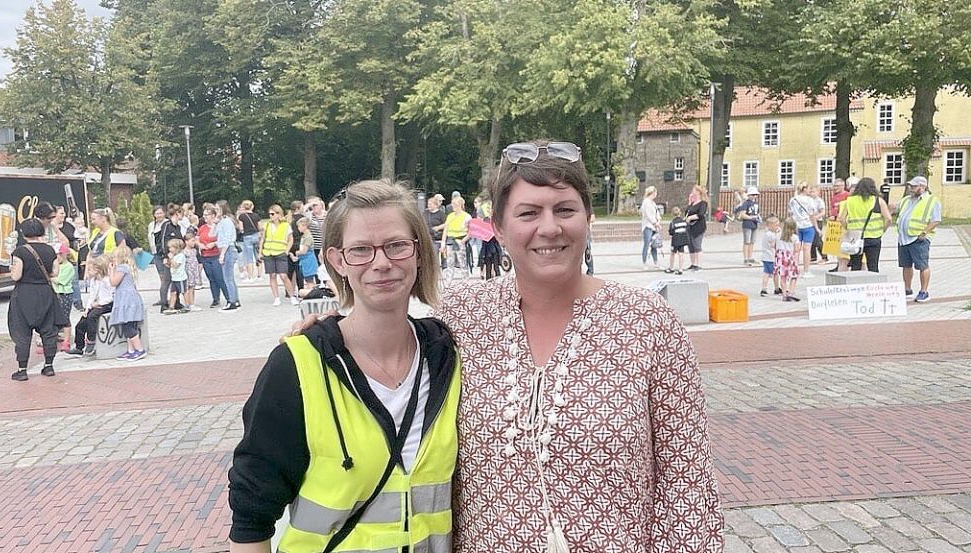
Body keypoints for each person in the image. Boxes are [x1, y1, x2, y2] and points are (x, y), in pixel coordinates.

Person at [288, 141, 725, 552]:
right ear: (498, 227)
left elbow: (687, 482)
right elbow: (387, 343)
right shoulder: (460, 316)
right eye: (529, 212)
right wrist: (330, 333)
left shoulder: (646, 320)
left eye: (565, 209)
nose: (549, 227)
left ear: (587, 218)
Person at [228, 180, 460, 553]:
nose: (381, 263)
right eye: (361, 250)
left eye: (396, 246)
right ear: (337, 261)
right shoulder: (297, 367)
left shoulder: (446, 356)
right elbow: (251, 517)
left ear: (418, 252)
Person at [8, 219, 69, 381]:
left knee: (22, 333)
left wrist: (12, 269)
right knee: (49, 331)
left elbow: (16, 275)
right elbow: (55, 272)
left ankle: (22, 370)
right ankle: (48, 366)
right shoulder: (49, 250)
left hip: (24, 295)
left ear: (24, 233)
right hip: (45, 292)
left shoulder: (20, 251)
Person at [895, 176, 941, 302]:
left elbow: (936, 220)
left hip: (919, 238)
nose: (911, 188)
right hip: (904, 238)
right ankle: (907, 289)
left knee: (922, 265)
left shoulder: (932, 201)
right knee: (905, 265)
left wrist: (924, 232)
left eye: (914, 186)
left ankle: (924, 291)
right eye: (910, 186)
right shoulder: (907, 199)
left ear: (923, 187)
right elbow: (896, 208)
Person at [838, 177, 891, 273]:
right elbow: (889, 219)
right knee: (873, 266)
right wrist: (882, 230)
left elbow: (841, 219)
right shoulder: (878, 201)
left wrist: (848, 228)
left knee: (855, 266)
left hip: (855, 237)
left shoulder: (850, 201)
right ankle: (873, 286)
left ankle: (856, 286)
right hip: (873, 237)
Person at [66, 257, 114, 357]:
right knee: (82, 322)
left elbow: (111, 296)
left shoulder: (107, 280)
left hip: (107, 304)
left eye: (90, 269)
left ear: (97, 269)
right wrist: (87, 308)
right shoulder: (94, 281)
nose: (87, 272)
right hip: (96, 304)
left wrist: (99, 303)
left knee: (92, 317)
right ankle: (79, 347)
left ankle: (91, 341)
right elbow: (92, 295)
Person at [109, 245, 147, 360]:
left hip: (126, 299)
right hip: (131, 298)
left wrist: (111, 271)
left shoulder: (122, 268)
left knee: (127, 326)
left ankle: (139, 349)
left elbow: (113, 282)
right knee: (129, 324)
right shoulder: (129, 267)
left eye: (114, 257)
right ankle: (131, 350)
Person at [260, 204, 296, 306]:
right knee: (272, 275)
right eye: (269, 214)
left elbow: (290, 239)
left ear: (278, 214)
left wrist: (287, 251)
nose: (270, 216)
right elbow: (263, 239)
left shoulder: (285, 226)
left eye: (272, 214)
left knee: (283, 275)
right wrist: (260, 252)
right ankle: (276, 298)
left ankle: (292, 296)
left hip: (280, 252)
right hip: (268, 252)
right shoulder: (267, 225)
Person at [199, 207, 229, 309]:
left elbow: (224, 238)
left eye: (207, 215)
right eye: (204, 215)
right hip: (205, 256)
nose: (205, 217)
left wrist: (214, 243)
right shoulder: (202, 228)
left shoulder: (218, 227)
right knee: (211, 278)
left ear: (213, 216)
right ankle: (215, 299)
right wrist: (200, 245)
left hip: (216, 254)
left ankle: (229, 298)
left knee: (220, 278)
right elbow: (197, 239)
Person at [787, 181, 819, 278]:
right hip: (807, 226)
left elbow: (790, 213)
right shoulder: (810, 200)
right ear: (805, 189)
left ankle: (794, 269)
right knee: (807, 249)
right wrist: (816, 228)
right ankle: (806, 271)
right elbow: (812, 215)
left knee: (795, 249)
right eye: (809, 188)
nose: (810, 190)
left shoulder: (793, 200)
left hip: (796, 226)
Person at [216, 200, 242, 311]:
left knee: (228, 278)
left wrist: (222, 254)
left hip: (228, 250)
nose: (216, 211)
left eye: (217, 209)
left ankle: (232, 301)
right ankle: (235, 299)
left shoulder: (226, 221)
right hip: (227, 249)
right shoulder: (222, 221)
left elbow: (226, 239)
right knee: (229, 277)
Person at [53, 244, 76, 351]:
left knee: (65, 317)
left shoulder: (69, 267)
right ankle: (53, 338)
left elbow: (60, 281)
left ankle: (66, 340)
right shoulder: (55, 265)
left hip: (65, 294)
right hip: (55, 293)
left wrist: (49, 277)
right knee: (53, 317)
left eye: (59, 255)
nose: (57, 258)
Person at [828, 178, 853, 273]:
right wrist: (832, 216)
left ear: (843, 186)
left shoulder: (847, 195)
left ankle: (846, 263)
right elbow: (833, 209)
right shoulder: (834, 197)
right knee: (837, 246)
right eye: (834, 186)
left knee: (845, 246)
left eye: (837, 186)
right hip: (836, 223)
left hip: (844, 223)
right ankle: (839, 264)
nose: (835, 188)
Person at [440, 196, 471, 272]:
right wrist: (443, 243)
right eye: (452, 204)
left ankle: (465, 281)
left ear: (460, 205)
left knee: (462, 263)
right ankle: (448, 283)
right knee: (449, 264)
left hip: (460, 241)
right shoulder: (450, 216)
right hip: (450, 242)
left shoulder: (466, 216)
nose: (453, 206)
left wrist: (464, 240)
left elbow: (472, 231)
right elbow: (446, 230)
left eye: (455, 204)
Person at [775, 217, 802, 302]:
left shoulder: (778, 235)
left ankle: (784, 294)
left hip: (780, 258)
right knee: (794, 275)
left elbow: (774, 245)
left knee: (783, 277)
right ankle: (791, 292)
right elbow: (797, 250)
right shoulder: (795, 237)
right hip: (790, 258)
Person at [685, 184, 709, 271]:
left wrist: (691, 217)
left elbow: (701, 214)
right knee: (690, 245)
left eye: (693, 190)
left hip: (698, 227)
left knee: (697, 245)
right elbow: (687, 212)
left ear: (698, 192)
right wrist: (689, 201)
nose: (692, 192)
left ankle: (699, 265)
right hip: (690, 227)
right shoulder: (692, 203)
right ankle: (693, 264)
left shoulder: (703, 203)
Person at [237, 200, 263, 282]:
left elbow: (241, 229)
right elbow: (260, 227)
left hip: (247, 237)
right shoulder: (256, 215)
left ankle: (250, 277)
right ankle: (259, 276)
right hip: (256, 236)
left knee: (249, 258)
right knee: (258, 255)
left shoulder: (241, 217)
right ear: (252, 206)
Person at [736, 186, 761, 265]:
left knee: (752, 242)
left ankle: (750, 257)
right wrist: (751, 217)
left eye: (756, 195)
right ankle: (745, 258)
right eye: (753, 195)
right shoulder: (746, 203)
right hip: (747, 224)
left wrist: (758, 217)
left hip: (755, 224)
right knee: (746, 242)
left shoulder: (756, 204)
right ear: (749, 195)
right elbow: (742, 214)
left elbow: (757, 213)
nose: (754, 196)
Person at [290, 216, 318, 286]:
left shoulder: (308, 237)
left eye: (299, 226)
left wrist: (296, 253)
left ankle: (311, 293)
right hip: (304, 261)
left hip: (308, 261)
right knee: (307, 279)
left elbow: (304, 251)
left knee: (309, 280)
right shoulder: (304, 236)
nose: (298, 228)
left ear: (304, 226)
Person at [165, 239, 189, 315]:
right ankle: (171, 307)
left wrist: (171, 258)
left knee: (183, 292)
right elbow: (171, 266)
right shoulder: (174, 256)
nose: (169, 250)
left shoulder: (180, 256)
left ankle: (187, 305)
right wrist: (167, 263)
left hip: (180, 278)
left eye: (171, 248)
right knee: (173, 292)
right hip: (174, 278)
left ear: (176, 248)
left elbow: (176, 265)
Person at [759, 216, 782, 297]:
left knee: (773, 273)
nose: (778, 227)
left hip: (768, 256)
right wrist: (778, 236)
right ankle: (765, 289)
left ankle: (776, 288)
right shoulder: (770, 235)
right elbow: (773, 245)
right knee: (769, 273)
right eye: (776, 225)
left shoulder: (767, 233)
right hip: (770, 257)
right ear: (770, 226)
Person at [639, 185, 660, 268]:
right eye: (656, 192)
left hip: (654, 226)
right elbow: (648, 215)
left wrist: (658, 220)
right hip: (648, 226)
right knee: (647, 244)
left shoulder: (653, 203)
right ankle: (644, 262)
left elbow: (656, 212)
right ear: (652, 193)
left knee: (654, 245)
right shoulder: (646, 202)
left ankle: (656, 262)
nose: (656, 194)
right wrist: (655, 222)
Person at [664, 206, 688, 274]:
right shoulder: (684, 222)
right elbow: (687, 229)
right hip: (682, 240)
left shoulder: (673, 223)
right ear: (680, 213)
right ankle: (680, 269)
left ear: (672, 214)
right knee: (681, 254)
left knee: (672, 254)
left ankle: (671, 268)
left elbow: (671, 232)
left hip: (675, 241)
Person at [424, 195, 446, 265]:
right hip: (428, 238)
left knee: (440, 257)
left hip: (438, 238)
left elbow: (446, 225)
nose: (428, 206)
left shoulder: (441, 214)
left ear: (436, 205)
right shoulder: (425, 213)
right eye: (428, 204)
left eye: (430, 204)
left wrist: (439, 227)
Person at [808, 185, 828, 263]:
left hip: (818, 221)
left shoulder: (819, 201)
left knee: (817, 240)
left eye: (813, 192)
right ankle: (813, 256)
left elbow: (823, 213)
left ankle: (824, 256)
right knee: (810, 239)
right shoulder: (809, 200)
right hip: (809, 221)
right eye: (810, 192)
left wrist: (815, 217)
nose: (812, 193)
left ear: (818, 193)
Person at [183, 232, 203, 311]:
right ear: (186, 242)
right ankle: (189, 304)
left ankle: (192, 302)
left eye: (194, 241)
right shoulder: (184, 252)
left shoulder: (195, 250)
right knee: (189, 288)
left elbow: (198, 258)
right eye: (192, 241)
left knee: (193, 287)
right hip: (188, 271)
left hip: (194, 270)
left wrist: (200, 265)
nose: (194, 243)